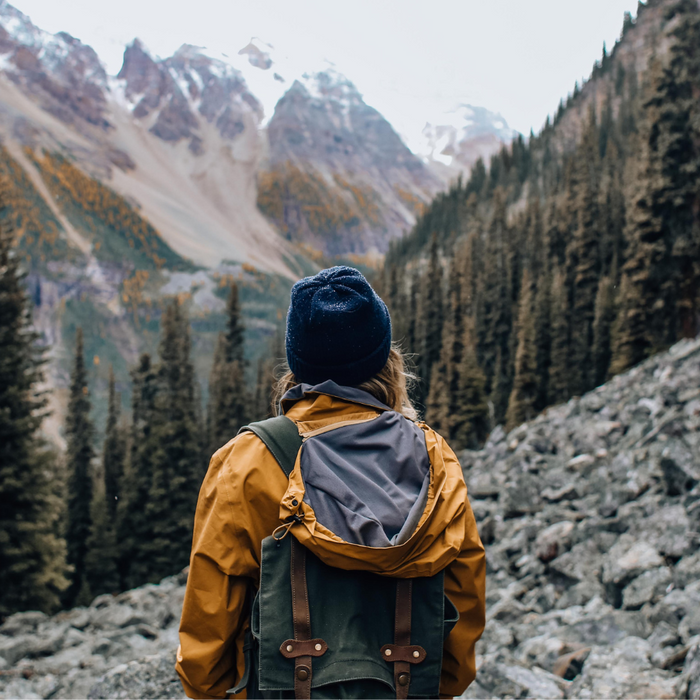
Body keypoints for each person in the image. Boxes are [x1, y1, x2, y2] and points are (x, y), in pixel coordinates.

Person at [176, 266, 485, 699]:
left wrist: (209, 690)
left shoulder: (246, 462)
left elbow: (210, 617)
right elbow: (462, 596)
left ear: (297, 365)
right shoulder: (435, 459)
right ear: (386, 360)